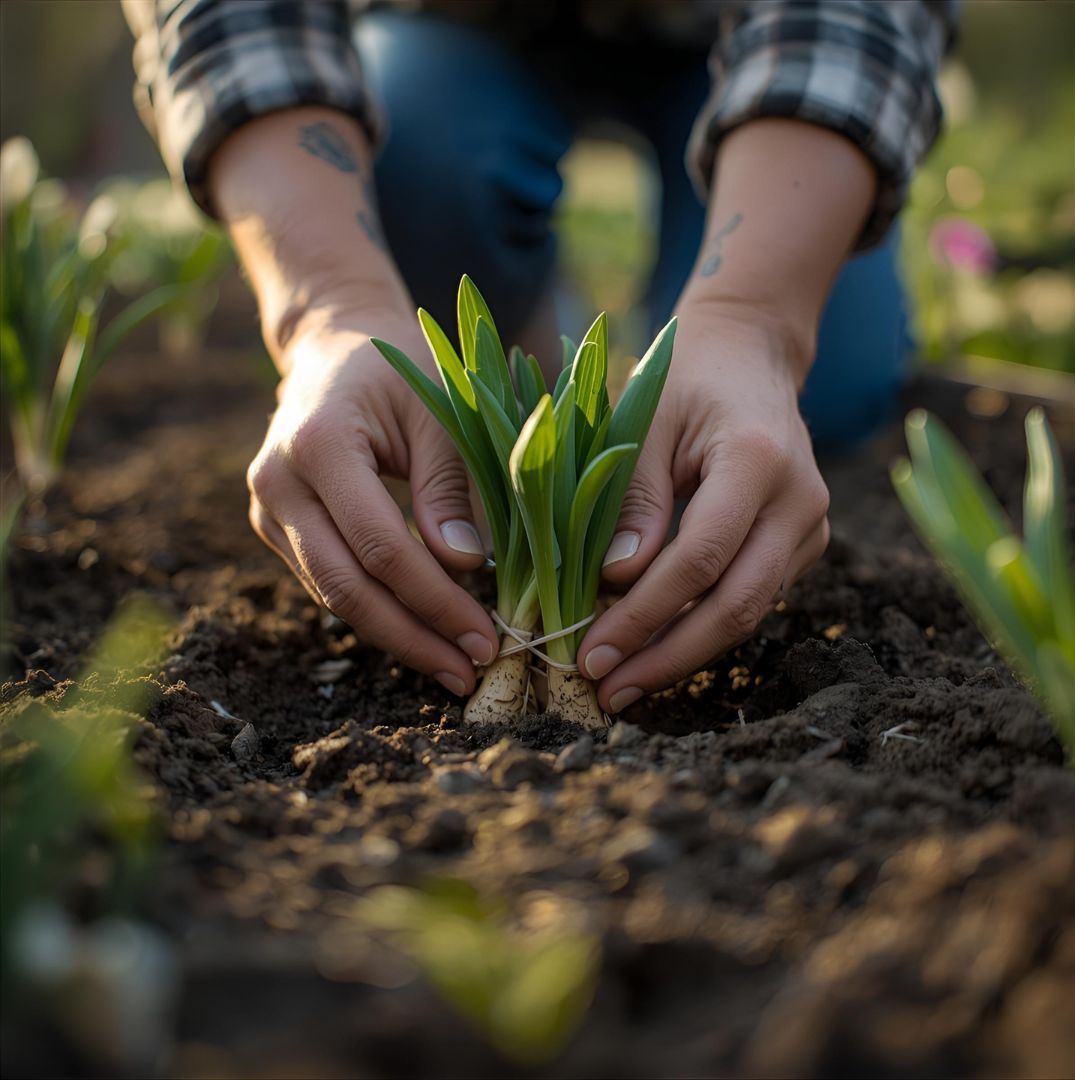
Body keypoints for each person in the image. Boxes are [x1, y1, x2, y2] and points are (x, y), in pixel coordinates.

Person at [123, 0, 956, 715]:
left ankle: (666, 357)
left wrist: (756, 324)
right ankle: (532, 352)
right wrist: (325, 309)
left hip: (732, 44)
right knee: (419, 180)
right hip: (454, 35)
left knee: (831, 381)